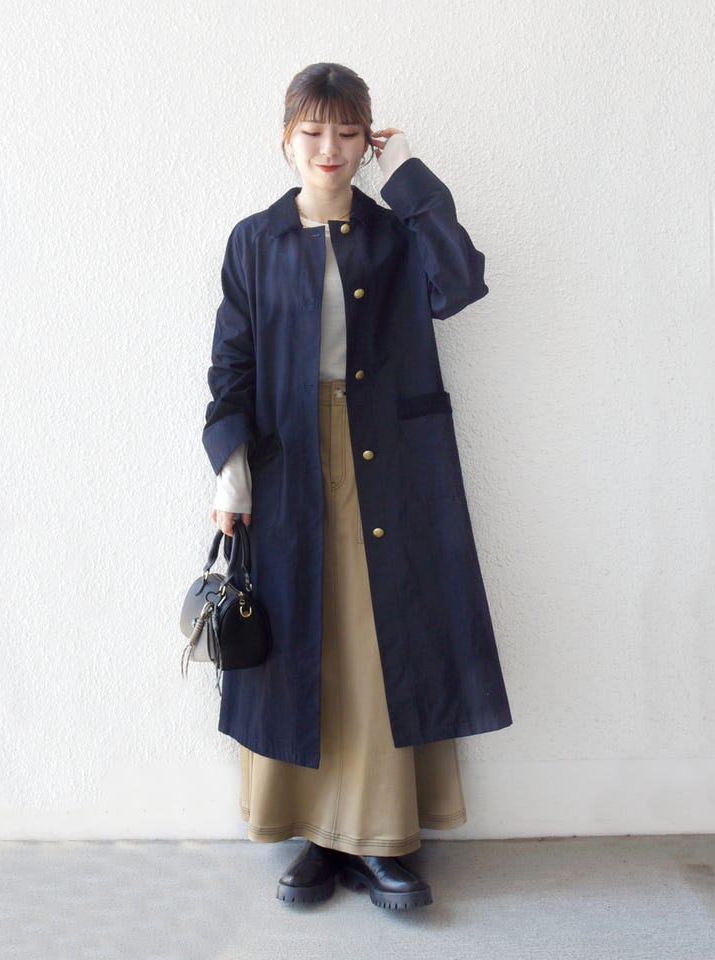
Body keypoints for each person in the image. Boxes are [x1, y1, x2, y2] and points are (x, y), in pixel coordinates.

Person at [202, 62, 512, 911]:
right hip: (286, 464)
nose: (330, 148)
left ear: (367, 138)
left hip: (391, 459)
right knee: (304, 636)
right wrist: (231, 471)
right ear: (286, 139)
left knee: (379, 641)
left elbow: (461, 283)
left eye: (348, 132)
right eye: (313, 131)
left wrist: (408, 177)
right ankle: (313, 837)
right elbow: (230, 369)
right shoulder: (253, 241)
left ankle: (381, 841)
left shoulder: (395, 232)